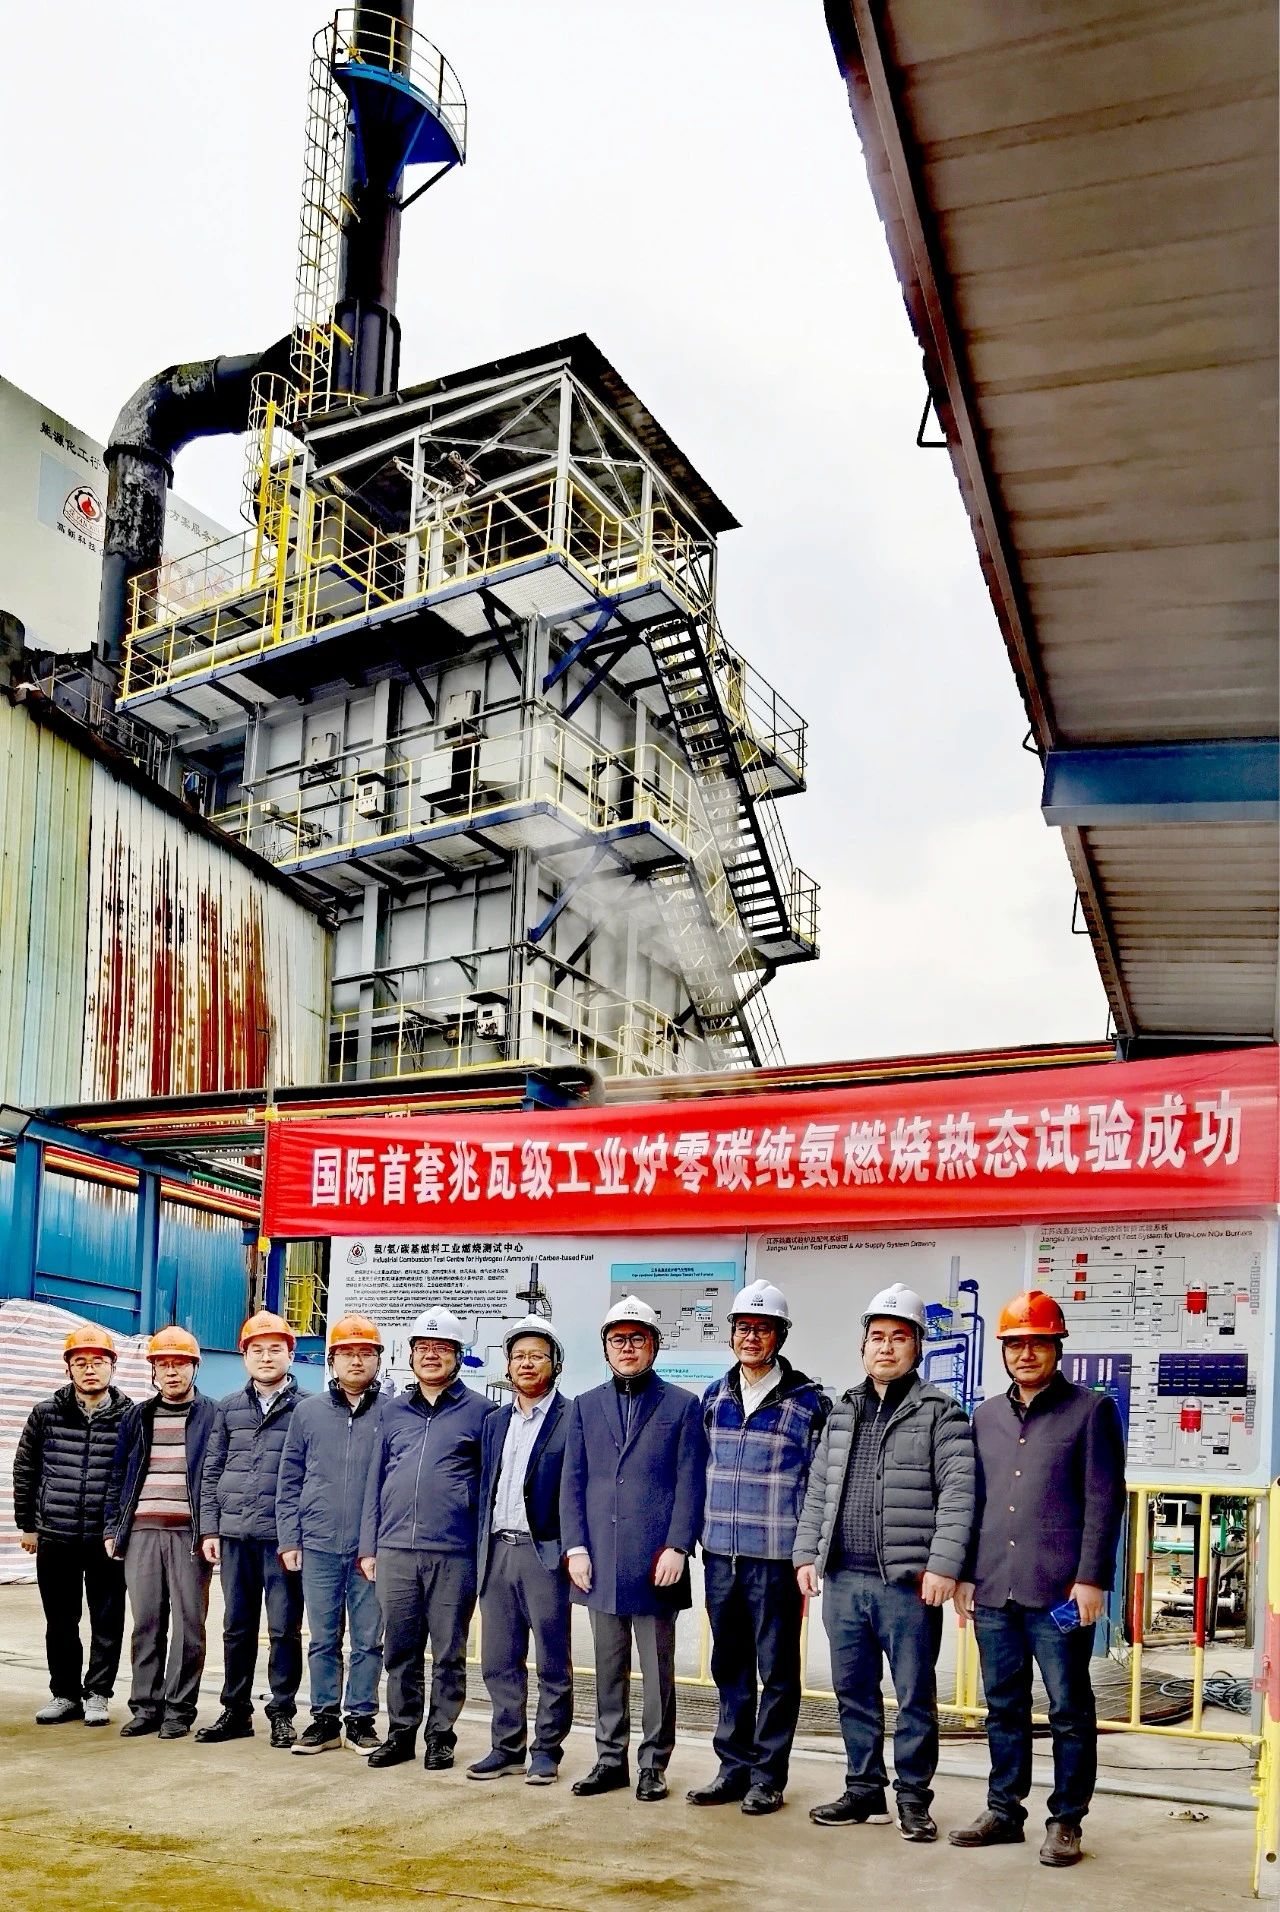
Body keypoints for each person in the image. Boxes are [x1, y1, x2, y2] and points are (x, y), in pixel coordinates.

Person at [949, 1290, 1127, 1868]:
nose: (1025, 1354)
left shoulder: (1090, 1412)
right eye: (1015, 1344)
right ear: (1003, 1351)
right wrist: (966, 1574)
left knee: (1069, 1708)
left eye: (1037, 1343)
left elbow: (1105, 1500)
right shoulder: (985, 1417)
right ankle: (1004, 1810)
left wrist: (1092, 1578)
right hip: (994, 1588)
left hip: (1059, 1593)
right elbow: (974, 1501)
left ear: (1057, 1348)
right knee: (1003, 1705)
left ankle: (1066, 1820)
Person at [794, 1283, 975, 1843]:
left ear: (917, 1347)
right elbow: (820, 1490)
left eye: (899, 1337)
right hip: (844, 1579)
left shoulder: (941, 1413)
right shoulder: (843, 1411)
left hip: (907, 1585)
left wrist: (943, 1566)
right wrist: (807, 1554)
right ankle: (864, 1790)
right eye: (877, 1337)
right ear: (863, 1346)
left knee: (914, 1696)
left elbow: (958, 1495)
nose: (886, 1347)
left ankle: (914, 1799)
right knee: (854, 1691)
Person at [689, 1280, 829, 1816]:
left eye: (763, 1329)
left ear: (780, 1337)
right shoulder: (713, 1397)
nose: (751, 1337)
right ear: (731, 1335)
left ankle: (768, 1776)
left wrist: (809, 1551)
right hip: (720, 1555)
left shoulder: (809, 1403)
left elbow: (819, 1484)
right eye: (743, 1328)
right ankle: (732, 1769)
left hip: (776, 1559)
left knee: (778, 1670)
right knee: (730, 1665)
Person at [560, 1294, 706, 1802]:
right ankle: (609, 1760)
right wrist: (575, 1547)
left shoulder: (682, 1406)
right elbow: (572, 1482)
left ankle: (653, 1764)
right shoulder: (585, 1406)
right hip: (600, 1558)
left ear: (654, 1346)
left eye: (637, 1339)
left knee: (658, 1669)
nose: (627, 1348)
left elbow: (690, 1482)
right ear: (605, 1347)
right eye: (618, 1339)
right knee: (608, 1666)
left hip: (656, 1561)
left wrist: (678, 1546)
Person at [358, 1306, 495, 1773]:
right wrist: (370, 1546)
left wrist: (481, 1552)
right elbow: (376, 1480)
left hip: (454, 1552)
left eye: (442, 1348)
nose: (431, 1356)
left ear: (458, 1355)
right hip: (395, 1550)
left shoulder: (482, 1413)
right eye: (423, 1348)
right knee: (400, 1650)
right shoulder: (392, 1411)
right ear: (411, 1354)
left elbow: (489, 1489)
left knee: (449, 1653)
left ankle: (440, 1736)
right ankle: (400, 1734)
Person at [467, 1317, 573, 1785]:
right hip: (497, 1551)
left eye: (537, 1356)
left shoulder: (572, 1418)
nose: (527, 1364)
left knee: (552, 1660)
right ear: (508, 1366)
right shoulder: (495, 1422)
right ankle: (506, 1747)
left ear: (555, 1364)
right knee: (498, 1660)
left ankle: (547, 1750)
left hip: (543, 1553)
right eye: (519, 1357)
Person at [277, 1314, 388, 1757]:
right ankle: (324, 1719)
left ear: (378, 1360)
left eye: (365, 1353)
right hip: (318, 1545)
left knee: (368, 1640)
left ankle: (361, 1720)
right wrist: (290, 1538)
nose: (356, 1361)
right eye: (347, 1353)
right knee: (323, 1638)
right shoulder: (308, 1413)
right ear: (332, 1361)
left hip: (370, 1549)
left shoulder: (391, 1414)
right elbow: (289, 1479)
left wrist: (377, 1544)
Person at [12, 1325, 132, 1727]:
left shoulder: (130, 1416)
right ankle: (64, 1694)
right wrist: (28, 1525)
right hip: (56, 1535)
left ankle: (97, 1694)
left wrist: (123, 1530)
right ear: (68, 1369)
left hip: (106, 1538)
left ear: (112, 1366)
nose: (89, 1369)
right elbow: (25, 1469)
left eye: (98, 1361)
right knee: (61, 1621)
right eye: (80, 1362)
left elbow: (134, 1476)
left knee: (107, 1620)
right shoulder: (46, 1413)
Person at [196, 1310, 303, 1748]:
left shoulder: (308, 1408)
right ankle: (235, 1711)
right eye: (256, 1350)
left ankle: (282, 1713)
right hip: (235, 1536)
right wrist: (210, 1529)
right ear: (244, 1357)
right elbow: (212, 1470)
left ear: (290, 1355)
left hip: (281, 1540)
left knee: (283, 1629)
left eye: (275, 1349)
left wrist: (297, 1535)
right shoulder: (228, 1408)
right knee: (237, 1627)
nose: (266, 1357)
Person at [104, 1326, 216, 1739]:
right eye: (163, 1364)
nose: (171, 1372)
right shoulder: (137, 1417)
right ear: (153, 1370)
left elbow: (217, 1474)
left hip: (189, 1533)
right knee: (146, 1622)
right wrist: (113, 1527)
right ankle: (145, 1707)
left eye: (180, 1364)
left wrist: (211, 1530)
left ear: (194, 1368)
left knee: (189, 1624)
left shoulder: (213, 1415)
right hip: (142, 1532)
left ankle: (178, 1709)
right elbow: (118, 1475)